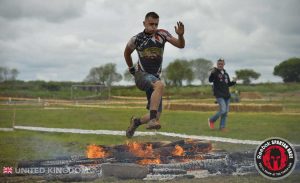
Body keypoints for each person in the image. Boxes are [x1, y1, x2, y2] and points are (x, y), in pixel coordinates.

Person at [124, 12, 185, 138]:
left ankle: (136, 122)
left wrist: (181, 36)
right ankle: (152, 121)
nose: (154, 27)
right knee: (160, 85)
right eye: (151, 24)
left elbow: (181, 45)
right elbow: (126, 53)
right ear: (144, 23)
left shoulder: (162, 34)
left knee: (156, 114)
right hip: (141, 75)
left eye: (156, 24)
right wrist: (131, 69)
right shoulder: (136, 39)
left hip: (154, 77)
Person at [208, 58, 236, 132]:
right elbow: (210, 80)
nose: (220, 65)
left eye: (221, 64)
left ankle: (222, 127)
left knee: (225, 112)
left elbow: (228, 84)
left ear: (224, 64)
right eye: (219, 64)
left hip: (227, 95)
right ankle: (211, 120)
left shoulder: (226, 74)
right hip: (219, 95)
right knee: (223, 110)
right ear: (217, 64)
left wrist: (234, 81)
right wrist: (212, 73)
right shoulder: (215, 72)